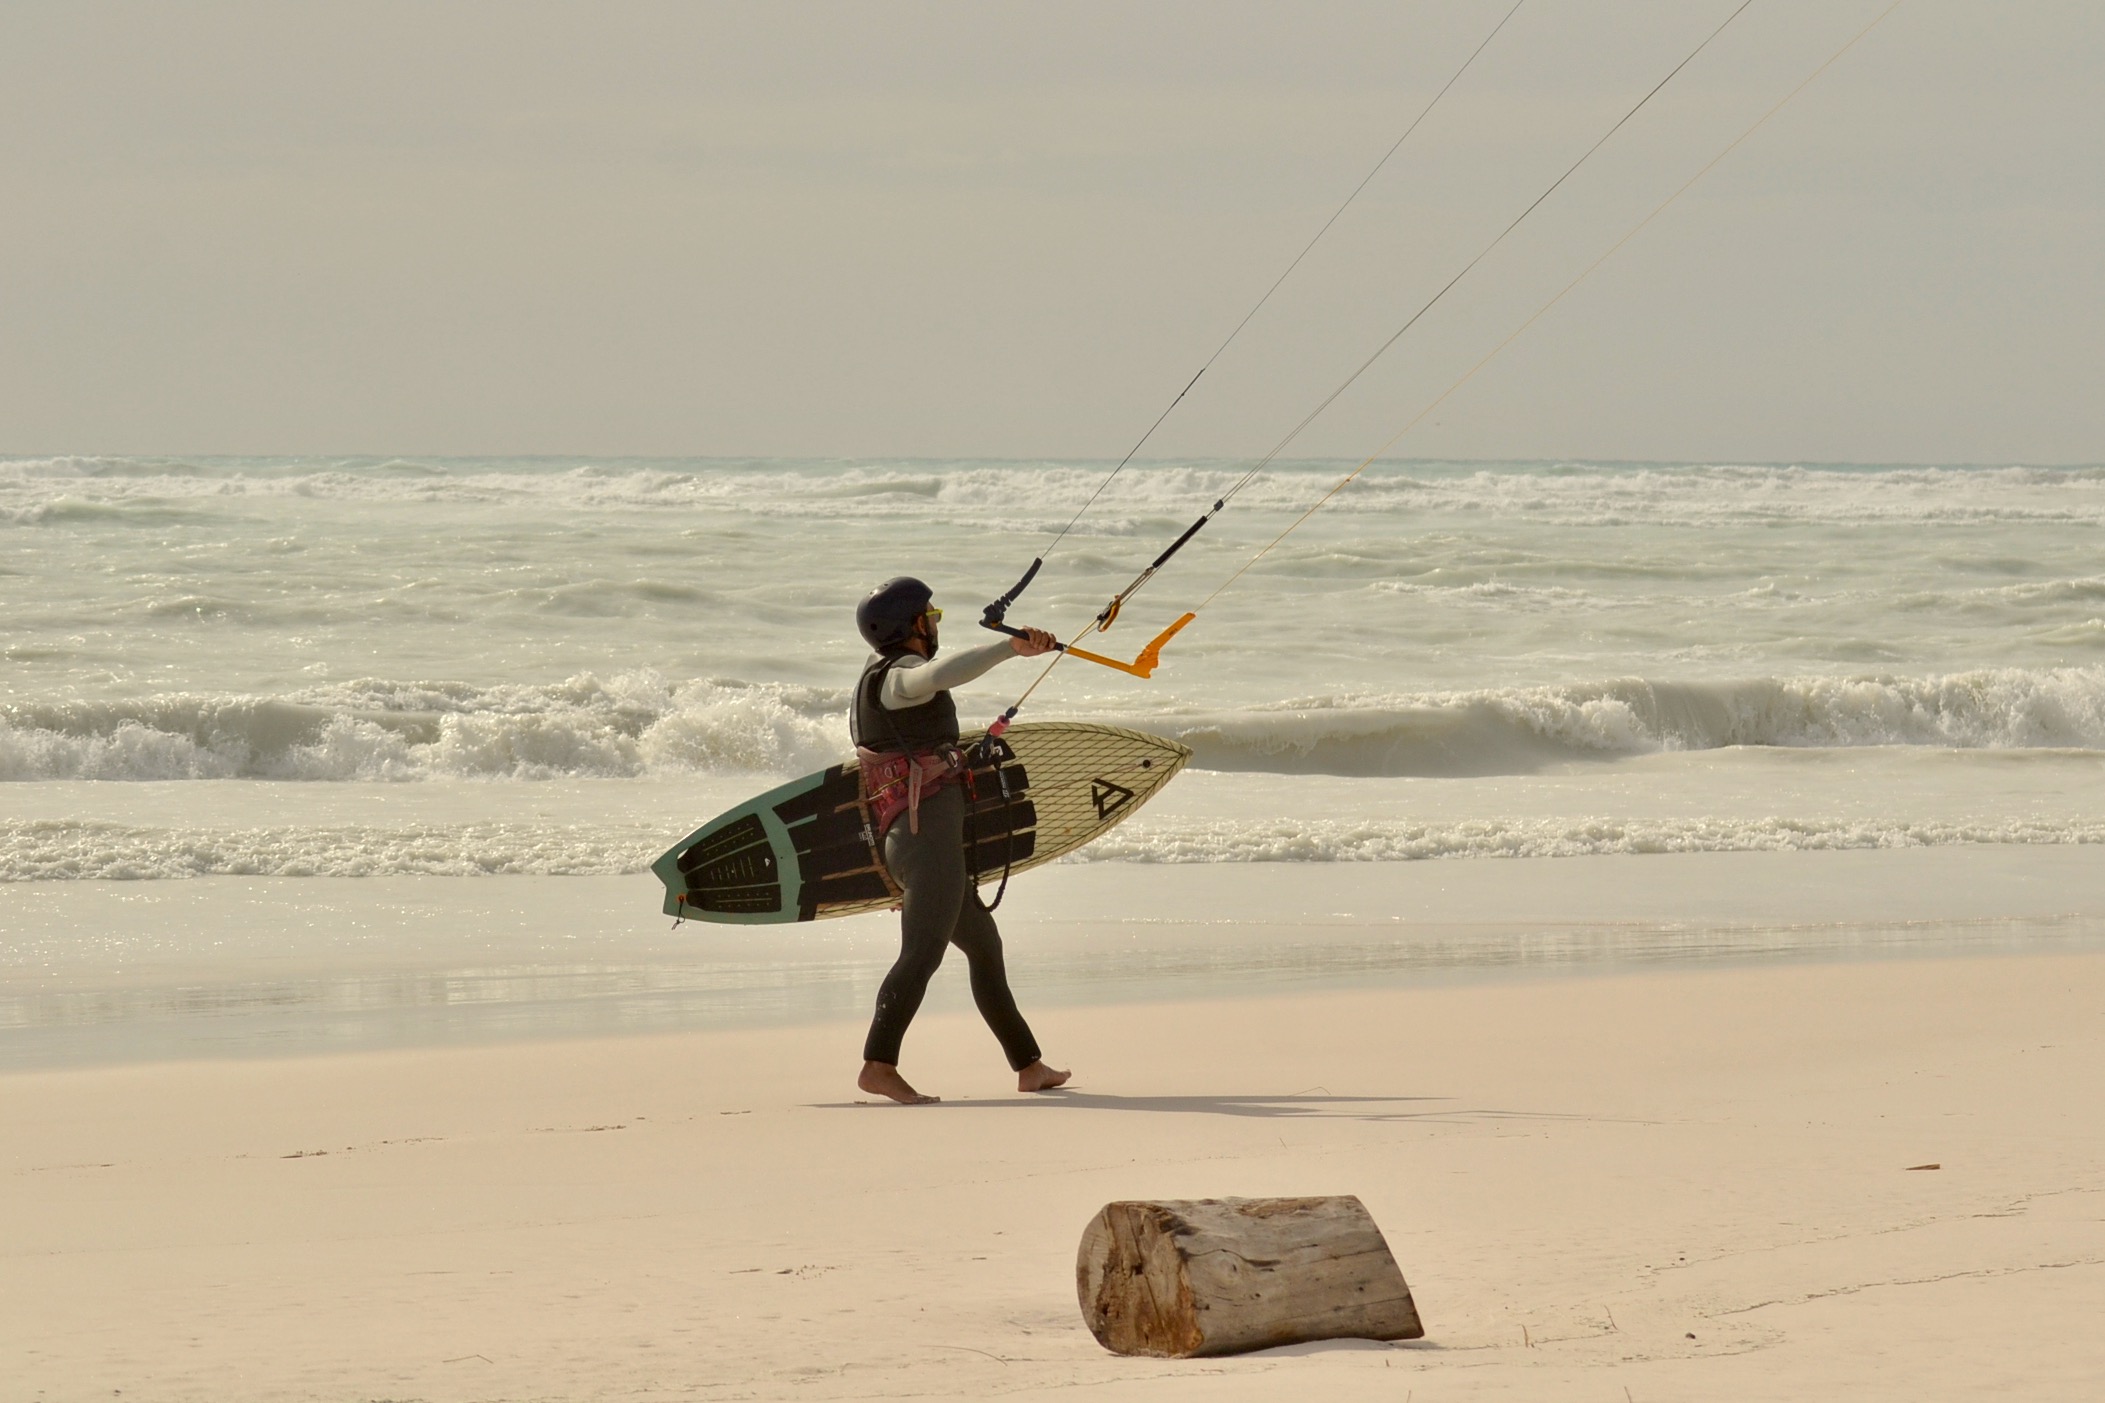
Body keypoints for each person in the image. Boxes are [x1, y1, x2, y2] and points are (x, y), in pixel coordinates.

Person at [851, 575, 1072, 1105]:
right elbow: (937, 674)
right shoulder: (897, 678)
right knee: (920, 954)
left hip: (927, 841)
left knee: (984, 947)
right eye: (932, 616)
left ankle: (1029, 1066)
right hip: (923, 843)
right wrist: (1009, 648)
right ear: (913, 625)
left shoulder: (883, 675)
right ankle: (878, 1065)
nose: (936, 624)